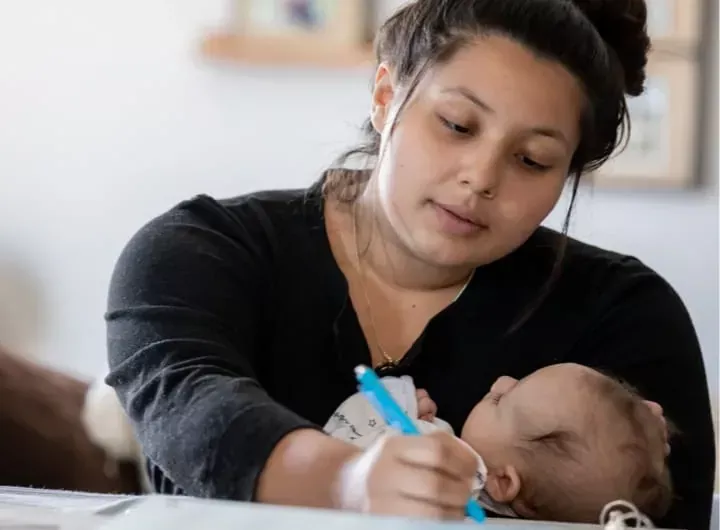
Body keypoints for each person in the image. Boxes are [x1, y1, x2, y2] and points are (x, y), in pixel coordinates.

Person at [105, 0, 716, 528]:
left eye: (532, 160)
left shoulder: (625, 314)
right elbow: (192, 416)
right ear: (385, 96)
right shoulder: (199, 253)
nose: (480, 178)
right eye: (456, 125)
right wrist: (350, 484)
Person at [325, 363, 672, 524]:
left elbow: (347, 445)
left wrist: (399, 400)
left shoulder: (444, 465)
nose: (501, 380)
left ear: (503, 481)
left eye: (502, 400)